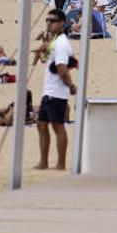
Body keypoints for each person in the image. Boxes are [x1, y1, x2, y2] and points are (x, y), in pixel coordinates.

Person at [33, 9, 76, 170]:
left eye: (53, 20)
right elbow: (47, 60)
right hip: (49, 90)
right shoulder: (54, 41)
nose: (49, 23)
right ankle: (44, 162)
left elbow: (62, 68)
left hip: (57, 92)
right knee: (41, 124)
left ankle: (61, 163)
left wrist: (71, 86)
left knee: (58, 126)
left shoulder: (62, 43)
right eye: (47, 20)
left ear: (61, 23)